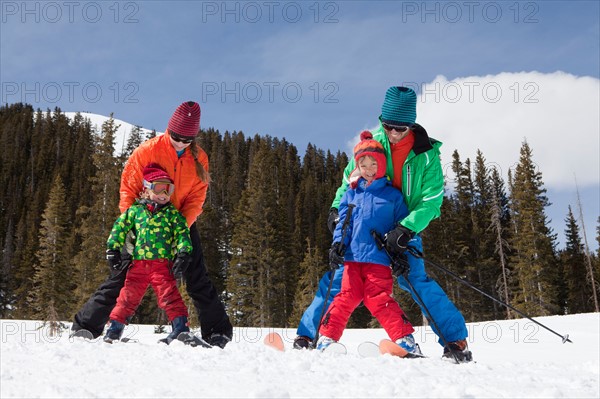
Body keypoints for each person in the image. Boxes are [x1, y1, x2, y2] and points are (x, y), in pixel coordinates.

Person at [295, 86, 472, 362]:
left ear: (411, 125)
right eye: (388, 126)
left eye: (399, 128)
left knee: (415, 280)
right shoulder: (373, 144)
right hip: (365, 230)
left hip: (404, 229)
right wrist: (335, 209)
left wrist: (406, 229)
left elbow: (432, 200)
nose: (392, 133)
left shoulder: (426, 154)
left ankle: (455, 342)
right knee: (338, 279)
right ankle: (308, 335)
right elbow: (348, 182)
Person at [72, 101, 233, 348]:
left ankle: (217, 332)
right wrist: (134, 226)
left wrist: (179, 230)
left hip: (179, 223)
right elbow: (128, 189)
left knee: (196, 276)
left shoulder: (199, 158)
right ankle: (85, 327)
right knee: (123, 274)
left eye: (186, 140)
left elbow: (196, 198)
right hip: (144, 222)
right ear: (169, 130)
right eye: (176, 137)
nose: (180, 143)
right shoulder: (147, 151)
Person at [316, 131, 421, 357]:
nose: (369, 169)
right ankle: (326, 339)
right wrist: (337, 246)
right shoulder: (350, 194)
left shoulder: (393, 196)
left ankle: (405, 340)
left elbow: (401, 226)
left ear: (382, 165)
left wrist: (400, 252)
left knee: (379, 299)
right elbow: (342, 224)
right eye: (364, 165)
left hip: (378, 258)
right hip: (352, 258)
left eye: (374, 164)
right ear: (358, 168)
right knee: (346, 297)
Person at [103, 163, 192, 344]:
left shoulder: (172, 215)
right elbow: (120, 227)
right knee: (128, 296)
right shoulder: (135, 211)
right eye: (159, 188)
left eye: (168, 189)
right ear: (146, 189)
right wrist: (113, 249)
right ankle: (114, 329)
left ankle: (180, 328)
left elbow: (183, 234)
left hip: (161, 265)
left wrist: (184, 253)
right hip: (138, 265)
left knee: (169, 295)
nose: (164, 194)